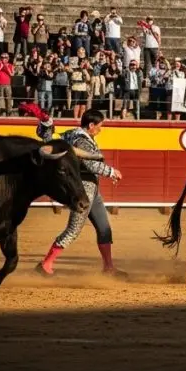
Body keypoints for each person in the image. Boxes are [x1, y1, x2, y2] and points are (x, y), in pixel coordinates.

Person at [28, 104, 125, 277]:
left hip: (93, 190)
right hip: (83, 190)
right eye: (100, 126)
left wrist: (46, 124)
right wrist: (111, 171)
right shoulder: (82, 141)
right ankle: (46, 264)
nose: (100, 130)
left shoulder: (72, 134)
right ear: (91, 125)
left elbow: (49, 138)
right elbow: (90, 163)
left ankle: (109, 267)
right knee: (73, 230)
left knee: (104, 227)